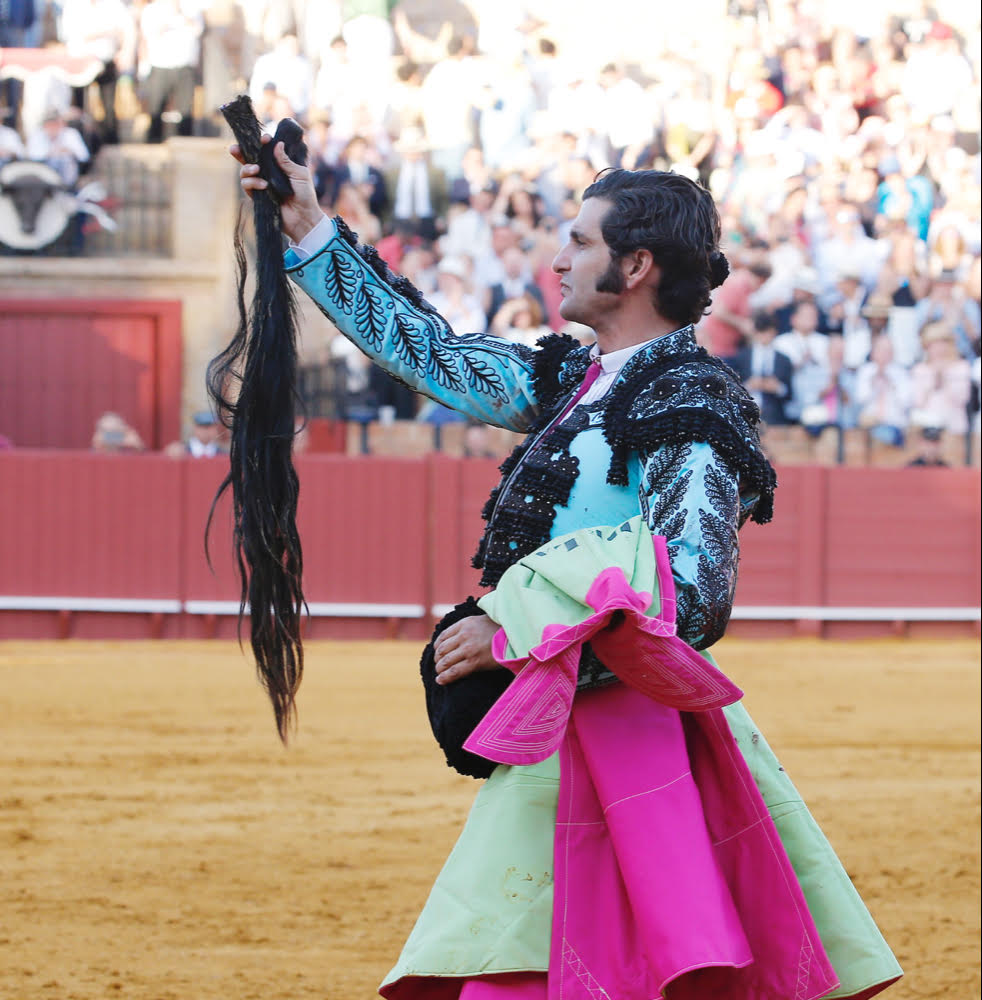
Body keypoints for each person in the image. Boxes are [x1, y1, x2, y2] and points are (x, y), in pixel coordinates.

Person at [233, 137, 901, 1000]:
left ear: (636, 264)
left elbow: (693, 598)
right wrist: (311, 229)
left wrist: (514, 636)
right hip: (565, 732)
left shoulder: (687, 402)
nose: (558, 257)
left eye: (580, 242)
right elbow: (429, 352)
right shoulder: (575, 381)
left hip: (632, 743)